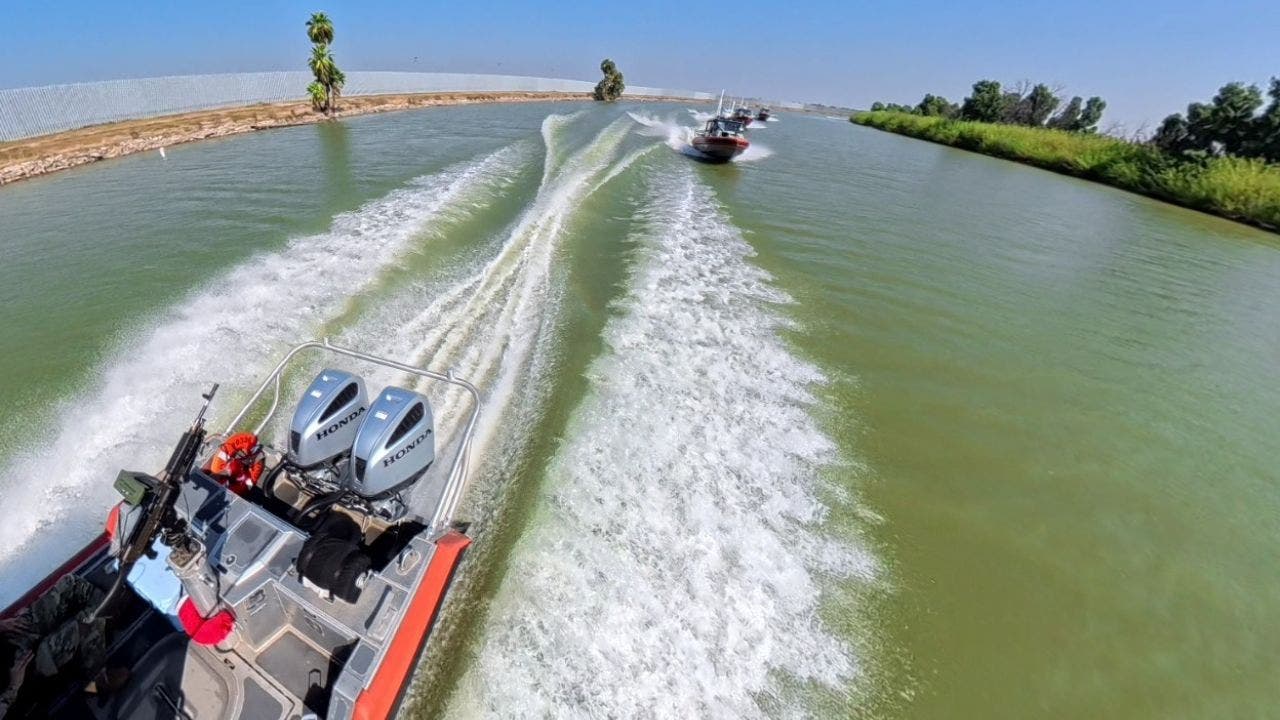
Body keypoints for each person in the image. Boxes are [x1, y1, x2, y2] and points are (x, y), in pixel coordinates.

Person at [0, 575, 115, 717]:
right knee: (88, 625)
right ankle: (97, 682)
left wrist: (1, 626)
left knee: (70, 584)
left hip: (11, 640)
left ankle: (111, 607)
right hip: (20, 679)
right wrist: (12, 689)